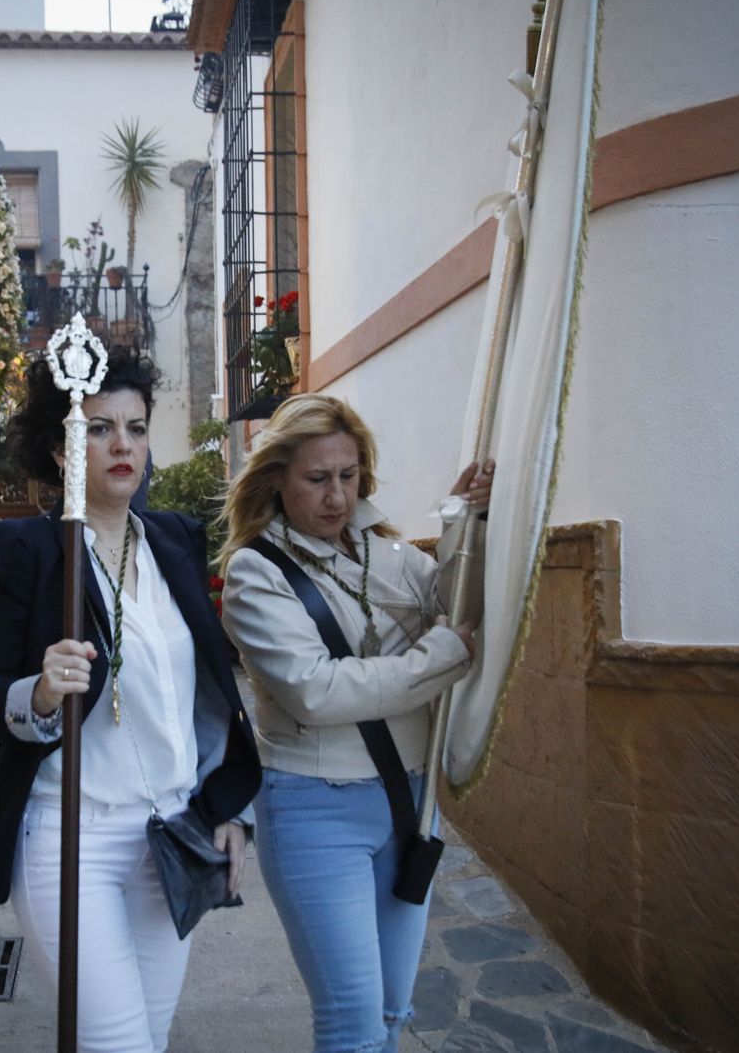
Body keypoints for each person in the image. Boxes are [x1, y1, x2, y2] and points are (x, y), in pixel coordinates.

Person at [0, 347, 261, 1053]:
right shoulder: (25, 554)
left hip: (171, 839)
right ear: (61, 451)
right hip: (71, 837)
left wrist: (230, 810)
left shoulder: (178, 542)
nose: (122, 444)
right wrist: (36, 691)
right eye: (97, 429)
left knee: (149, 1041)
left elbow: (210, 697)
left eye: (135, 427)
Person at [215, 393, 493, 1053]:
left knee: (392, 1014)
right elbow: (317, 692)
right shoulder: (256, 573)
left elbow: (456, 602)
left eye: (348, 475)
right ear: (277, 480)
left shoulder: (388, 555)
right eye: (317, 478)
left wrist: (463, 521)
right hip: (316, 811)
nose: (337, 496)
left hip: (408, 802)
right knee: (353, 1024)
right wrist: (443, 653)